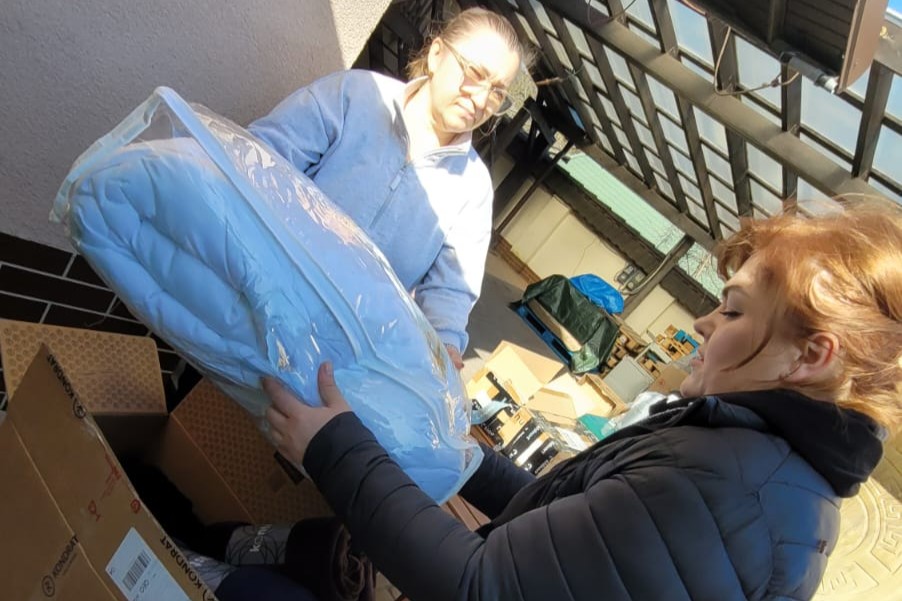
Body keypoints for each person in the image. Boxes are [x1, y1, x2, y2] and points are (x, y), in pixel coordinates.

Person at [263, 201, 901, 600]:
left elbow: (479, 586)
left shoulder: (727, 491)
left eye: (733, 310)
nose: (704, 323)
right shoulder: (760, 466)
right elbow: (572, 529)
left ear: (809, 357)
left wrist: (334, 449)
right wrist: (470, 462)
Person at [248, 8, 528, 369]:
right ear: (437, 54)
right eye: (475, 74)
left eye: (497, 92)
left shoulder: (473, 189)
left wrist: (443, 348)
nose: (480, 100)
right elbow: (264, 156)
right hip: (256, 282)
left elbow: (450, 291)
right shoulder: (358, 95)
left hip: (334, 350)